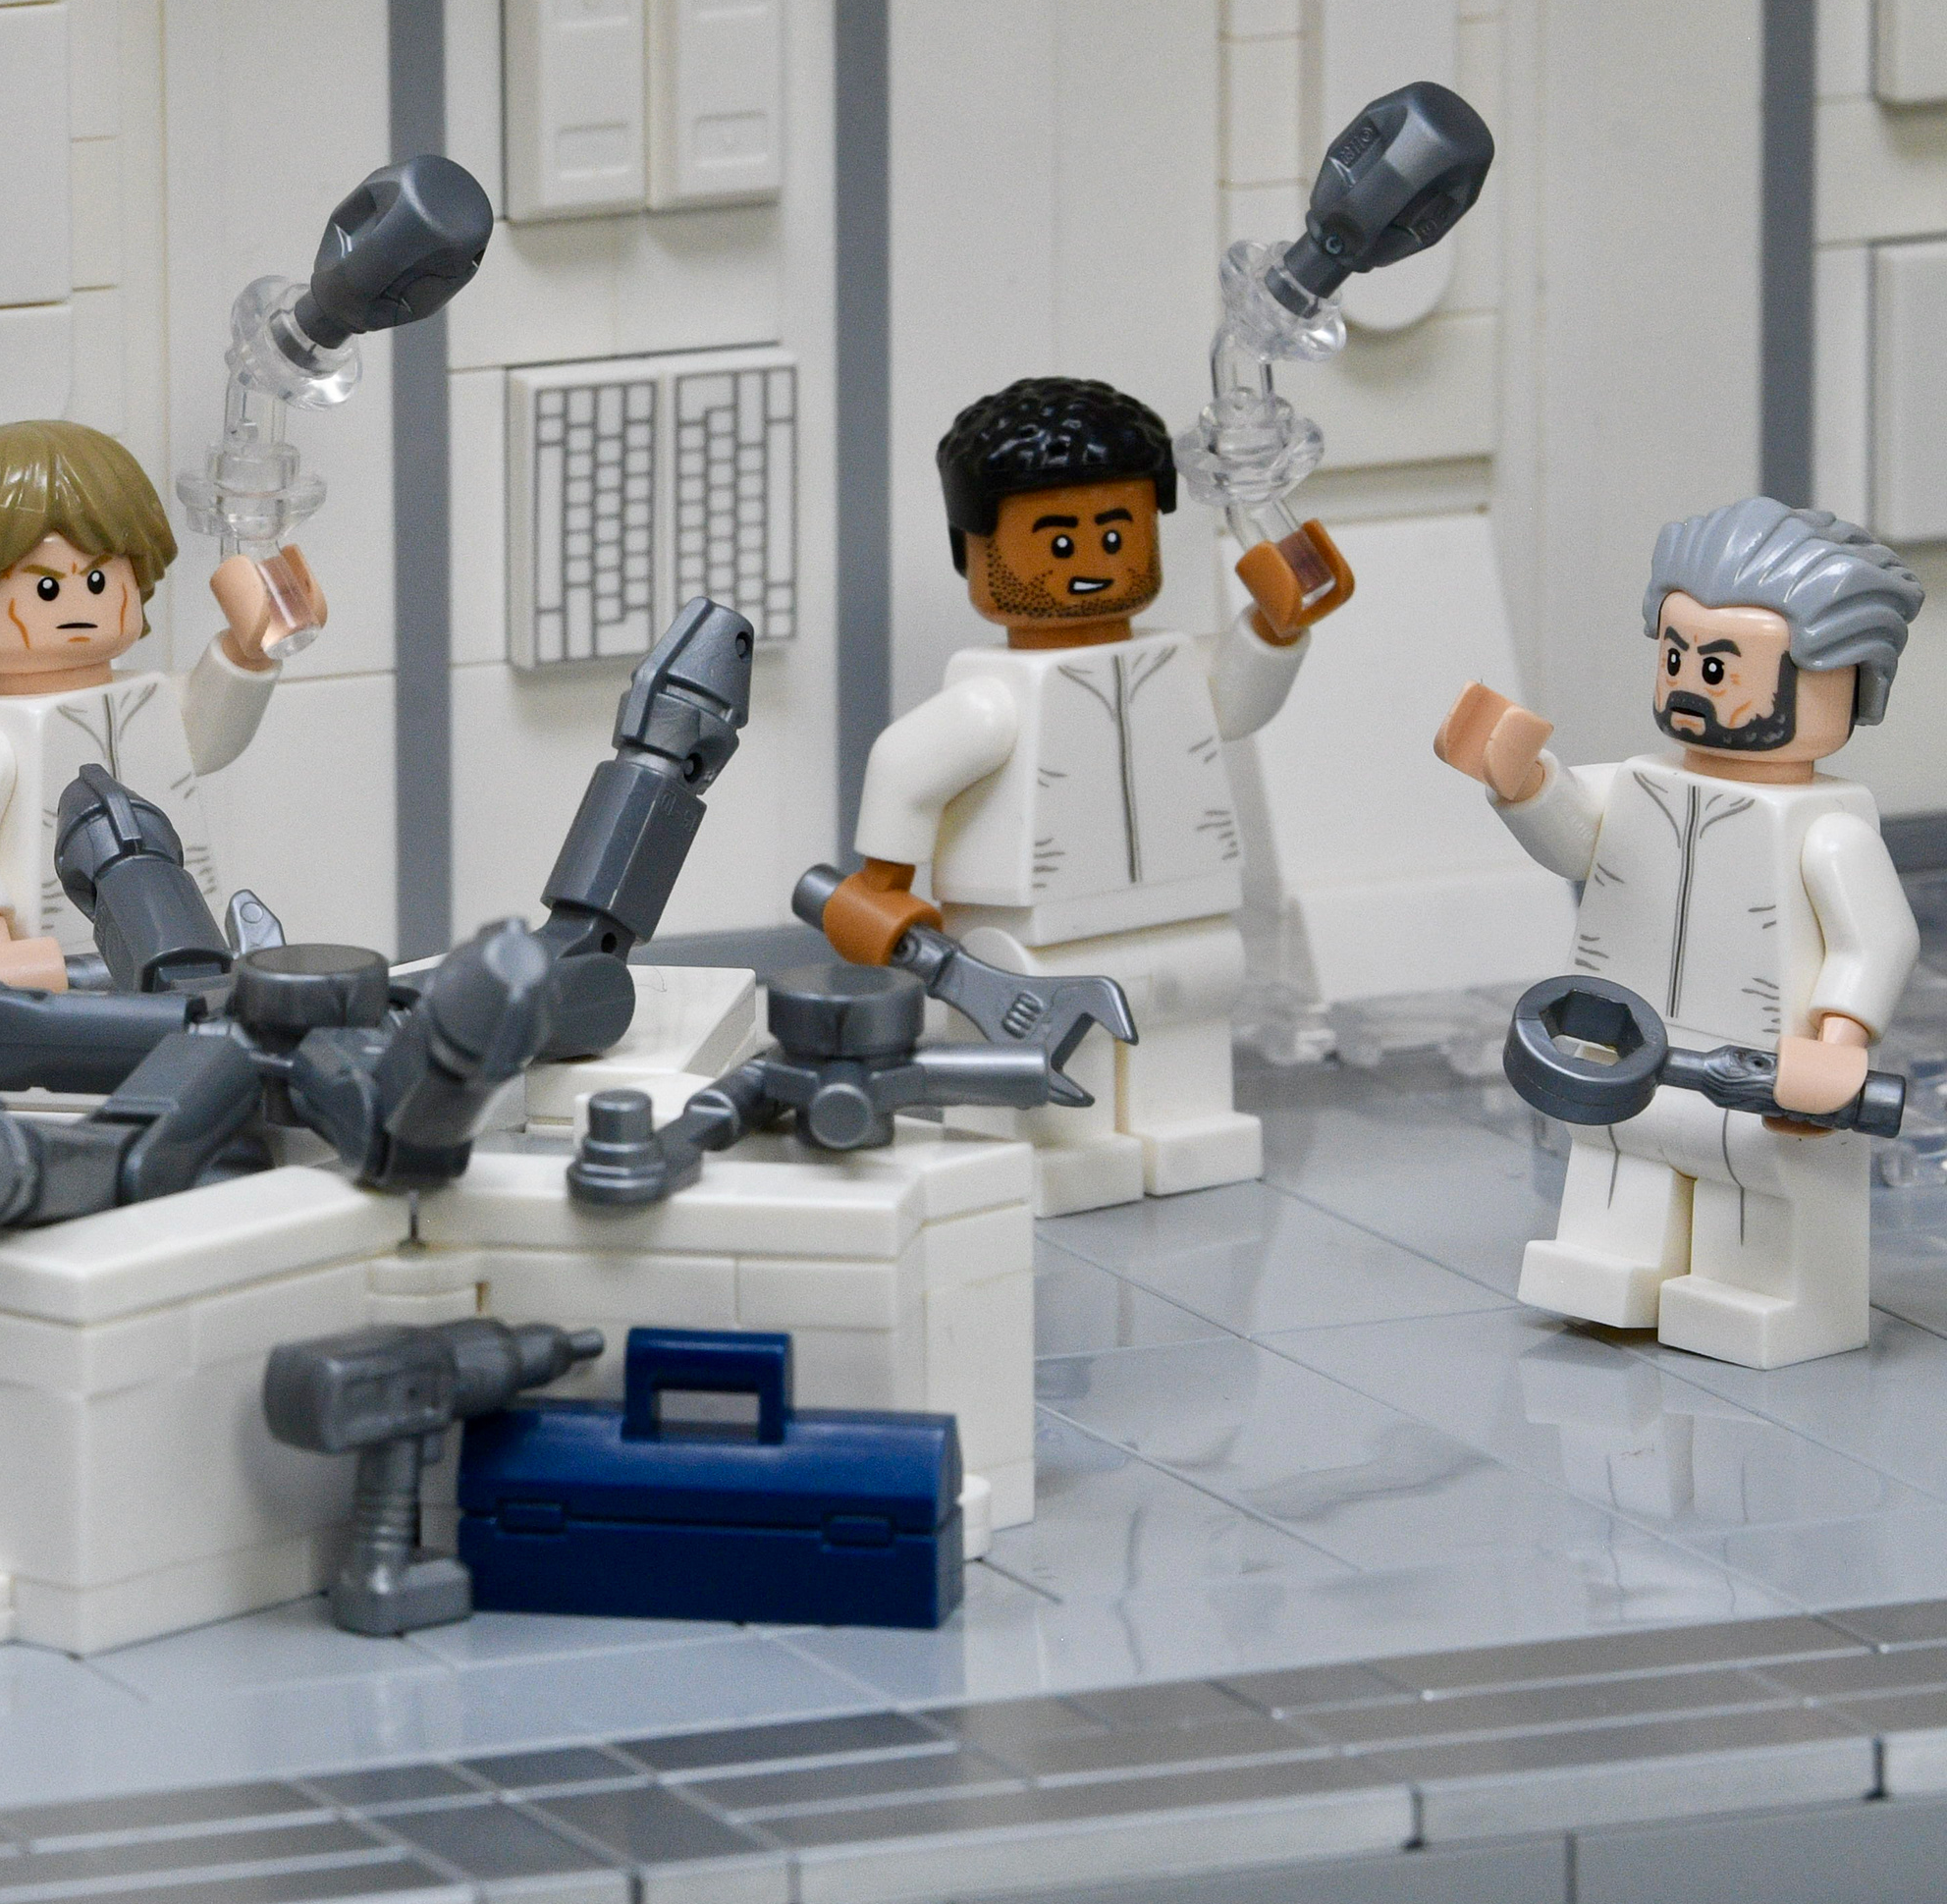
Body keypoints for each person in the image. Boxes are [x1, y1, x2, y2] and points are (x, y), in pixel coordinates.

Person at [814, 377, 1348, 1212]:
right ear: (972, 550)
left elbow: (1237, 702)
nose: (1094, 561)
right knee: (1065, 1065)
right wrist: (881, 884)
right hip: (1036, 932)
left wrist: (1274, 631)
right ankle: (1064, 1152)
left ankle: (1188, 1127)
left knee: (1185, 1018)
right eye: (1059, 542)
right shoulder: (993, 698)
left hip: (1188, 909)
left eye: (1117, 532)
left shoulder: (1171, 663)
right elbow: (906, 766)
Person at [1436, 497, 1921, 1368]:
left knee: (1757, 1177)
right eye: (1676, 655)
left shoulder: (1828, 827)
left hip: (1758, 1060)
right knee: (1618, 1148)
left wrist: (1840, 1037)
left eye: (1722, 665)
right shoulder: (1643, 782)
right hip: (1621, 1034)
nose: (1691, 683)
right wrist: (1525, 783)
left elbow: (1877, 940)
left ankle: (1762, 1289)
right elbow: (1576, 835)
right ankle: (1609, 1261)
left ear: (1839, 678)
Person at [0, 418, 315, 986]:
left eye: (98, 581)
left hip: (185, 942)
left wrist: (248, 655)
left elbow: (205, 740)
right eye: (46, 587)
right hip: (56, 969)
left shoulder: (145, 698)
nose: (77, 605)